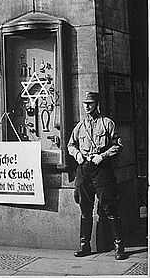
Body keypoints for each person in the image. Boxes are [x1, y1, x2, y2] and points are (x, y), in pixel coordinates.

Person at [67, 91, 125, 260]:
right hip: (84, 169)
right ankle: (84, 245)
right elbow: (71, 144)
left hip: (102, 169)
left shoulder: (107, 123)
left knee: (109, 207)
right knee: (85, 208)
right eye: (85, 103)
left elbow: (118, 145)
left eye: (90, 103)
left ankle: (119, 246)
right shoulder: (79, 126)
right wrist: (77, 154)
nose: (87, 106)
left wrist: (103, 156)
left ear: (97, 104)